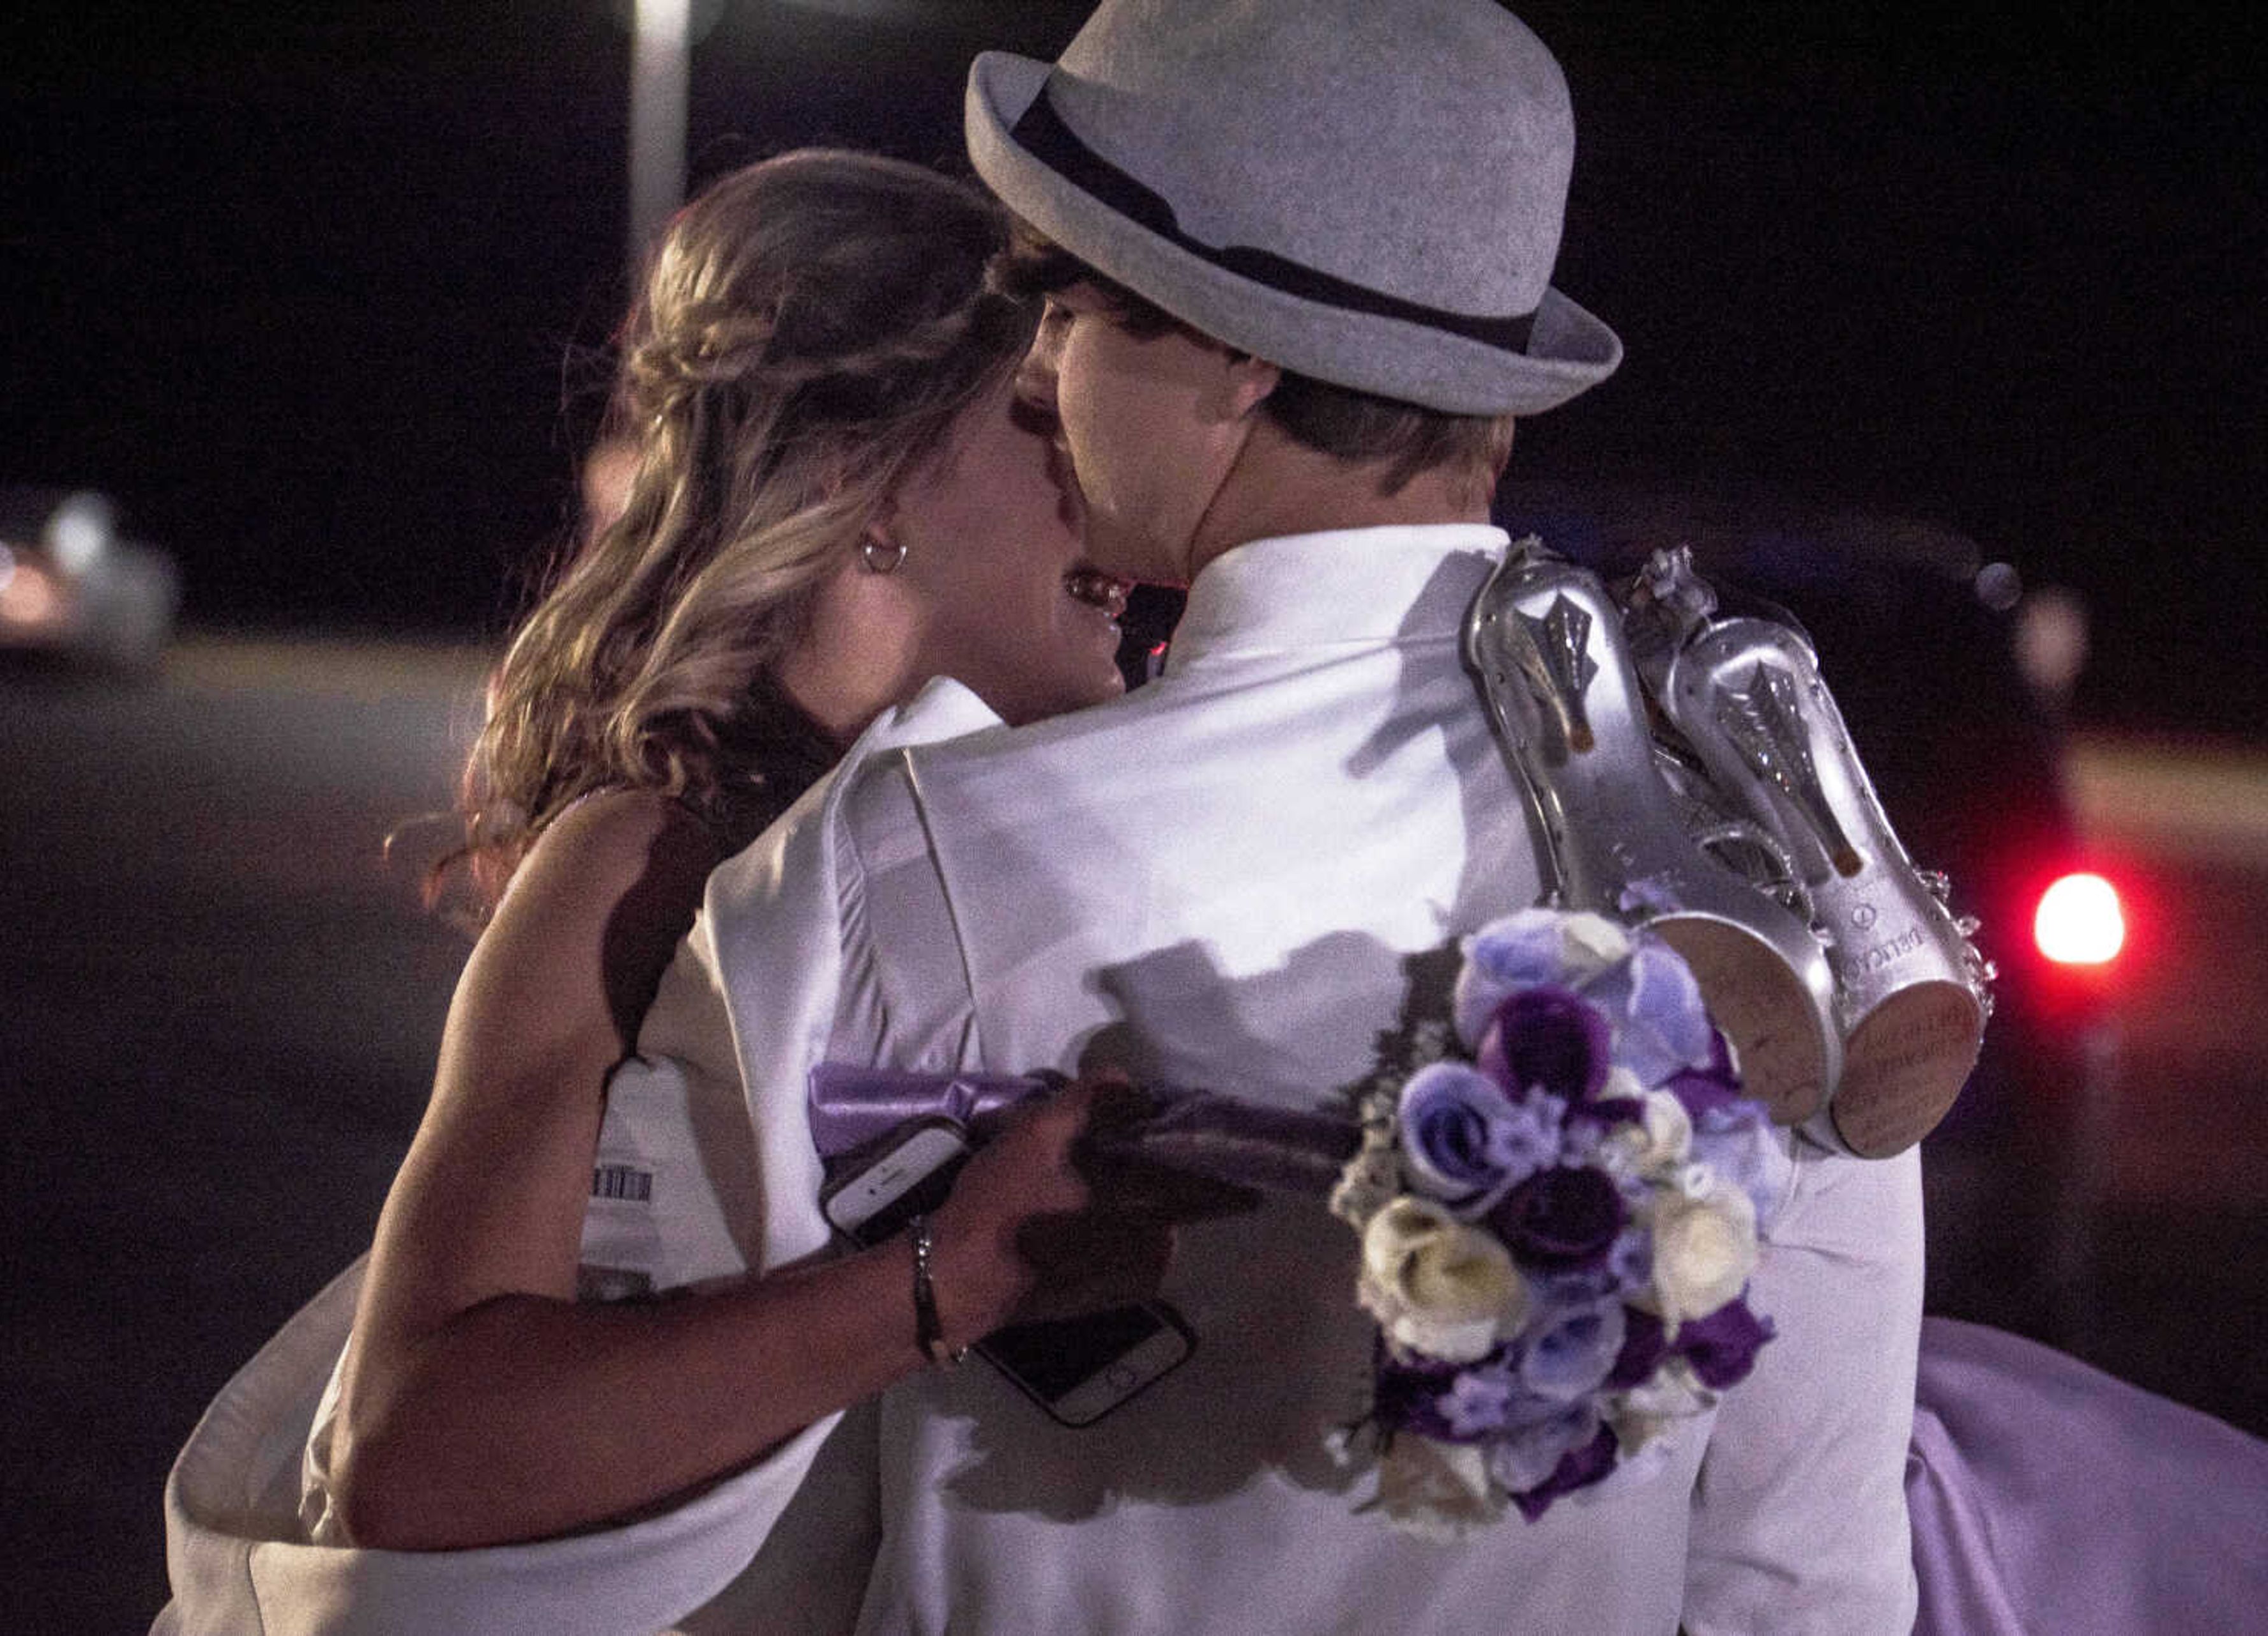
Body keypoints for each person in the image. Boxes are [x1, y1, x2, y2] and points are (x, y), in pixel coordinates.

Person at [599, 1, 1926, 1630]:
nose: (1032, 375)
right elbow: (1808, 1582)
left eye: (1062, 305)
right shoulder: (1765, 876)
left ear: (1231, 360)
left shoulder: (898, 863)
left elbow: (701, 1545)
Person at [154, 147, 1205, 1635]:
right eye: (1044, 424)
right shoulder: (649, 859)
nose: (1106, 501)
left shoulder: (1009, 843)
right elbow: (416, 1451)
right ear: (866, 483)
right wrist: (946, 1279)